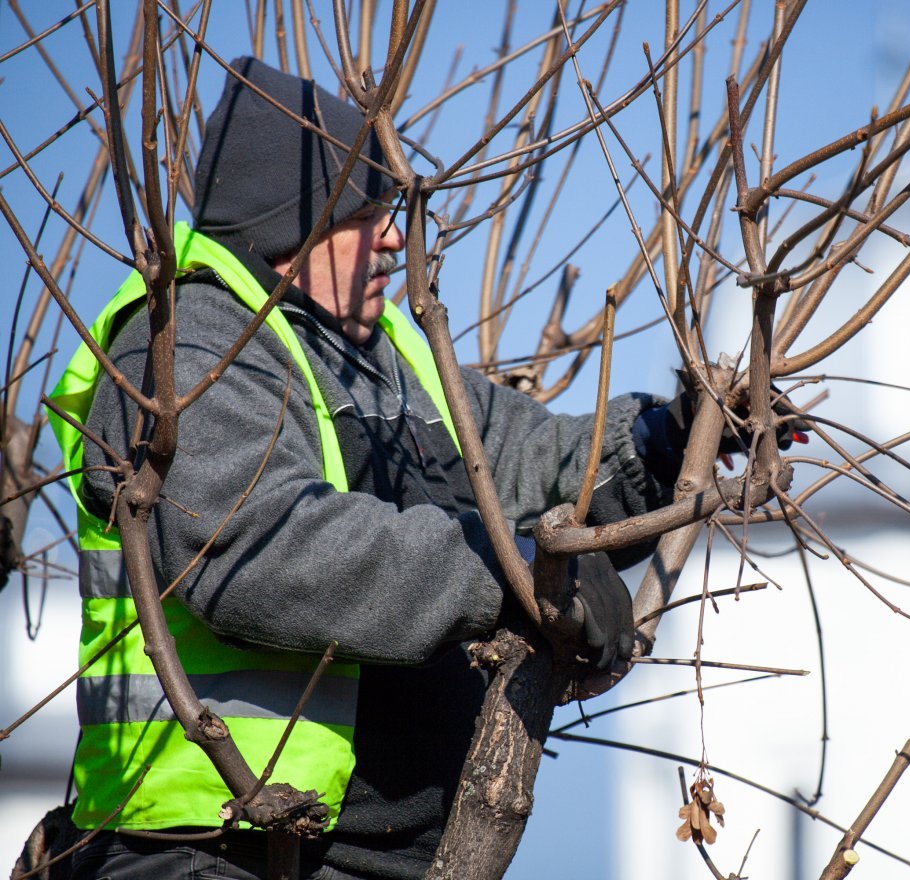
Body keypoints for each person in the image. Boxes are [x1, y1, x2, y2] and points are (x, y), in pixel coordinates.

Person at [50, 57, 688, 880]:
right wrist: (502, 567)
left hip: (379, 860)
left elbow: (529, 461)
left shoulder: (385, 354)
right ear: (289, 224)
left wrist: (671, 437)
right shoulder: (191, 347)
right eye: (365, 209)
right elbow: (261, 551)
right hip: (213, 850)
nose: (394, 235)